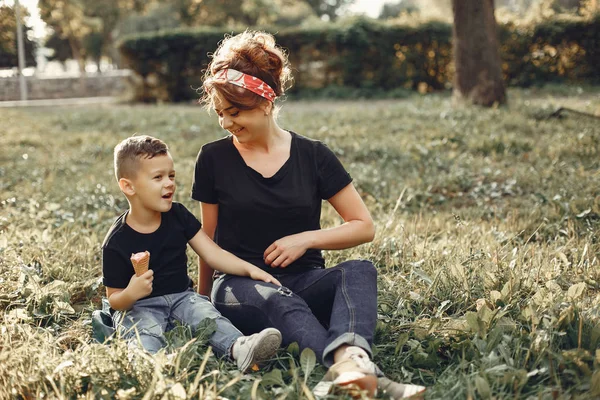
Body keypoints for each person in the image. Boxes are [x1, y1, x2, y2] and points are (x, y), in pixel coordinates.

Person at [191, 31, 426, 398]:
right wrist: (204, 303)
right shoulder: (213, 159)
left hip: (303, 279)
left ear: (265, 103)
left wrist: (306, 239)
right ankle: (358, 376)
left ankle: (352, 359)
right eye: (220, 113)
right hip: (238, 287)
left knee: (359, 270)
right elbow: (207, 240)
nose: (225, 123)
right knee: (278, 297)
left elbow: (363, 227)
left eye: (235, 112)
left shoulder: (313, 155)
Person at [102, 135, 283, 372]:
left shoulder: (178, 215)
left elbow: (212, 253)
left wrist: (250, 269)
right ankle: (151, 366)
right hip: (139, 306)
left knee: (206, 315)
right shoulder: (117, 241)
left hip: (182, 297)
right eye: (158, 177)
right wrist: (132, 293)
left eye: (171, 176)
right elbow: (115, 300)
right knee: (142, 330)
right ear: (128, 186)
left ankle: (240, 348)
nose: (169, 183)